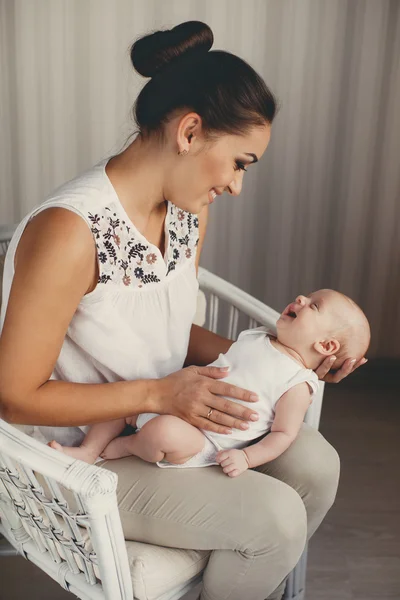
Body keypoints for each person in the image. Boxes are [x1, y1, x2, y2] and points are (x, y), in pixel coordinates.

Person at [0, 21, 367, 600]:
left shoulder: (186, 212)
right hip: (82, 455)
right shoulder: (68, 232)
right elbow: (15, 397)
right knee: (275, 518)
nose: (238, 186)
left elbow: (162, 330)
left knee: (318, 464)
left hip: (170, 422)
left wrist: (286, 364)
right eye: (240, 162)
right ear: (191, 132)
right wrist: (158, 394)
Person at [49, 289, 370, 474]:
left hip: (200, 439)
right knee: (127, 391)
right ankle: (88, 450)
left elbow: (284, 434)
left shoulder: (298, 384)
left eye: (313, 305)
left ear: (326, 347)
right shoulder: (260, 337)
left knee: (164, 432)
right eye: (307, 295)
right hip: (176, 400)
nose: (301, 297)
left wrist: (247, 457)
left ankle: (123, 447)